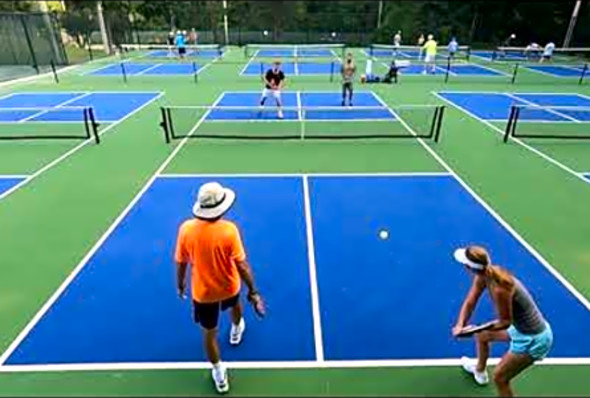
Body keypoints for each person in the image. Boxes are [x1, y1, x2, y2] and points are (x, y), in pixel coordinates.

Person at [175, 182, 265, 394]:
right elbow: (241, 265)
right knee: (235, 305)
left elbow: (181, 261)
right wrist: (253, 291)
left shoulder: (186, 229)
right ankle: (237, 328)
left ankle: (218, 372)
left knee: (209, 333)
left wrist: (180, 284)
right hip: (229, 286)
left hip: (203, 293)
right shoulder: (229, 231)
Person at [453, 246, 553, 397]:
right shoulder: (484, 276)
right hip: (521, 328)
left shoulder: (500, 289)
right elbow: (470, 302)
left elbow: (505, 322)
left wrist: (471, 330)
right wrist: (461, 325)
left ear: (469, 268)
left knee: (500, 378)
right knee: (483, 335)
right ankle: (479, 372)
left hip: (534, 339)